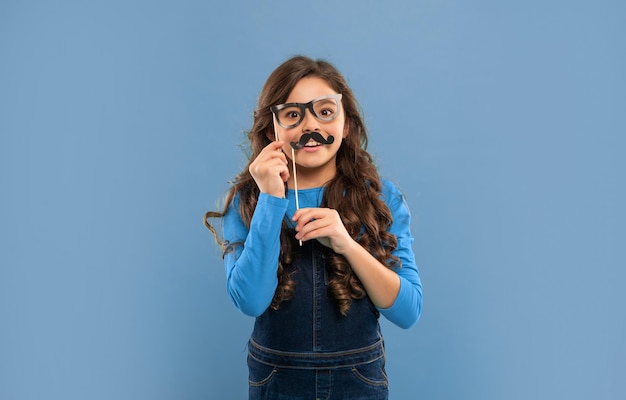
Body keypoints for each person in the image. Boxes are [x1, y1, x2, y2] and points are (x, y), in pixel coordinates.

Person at [204, 55, 422, 400]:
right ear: (271, 129)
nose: (310, 127)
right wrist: (271, 200)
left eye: (324, 111)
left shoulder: (381, 198)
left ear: (345, 125)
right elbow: (250, 301)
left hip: (358, 380)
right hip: (277, 381)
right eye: (293, 114)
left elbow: (408, 311)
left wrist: (347, 244)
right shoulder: (246, 201)